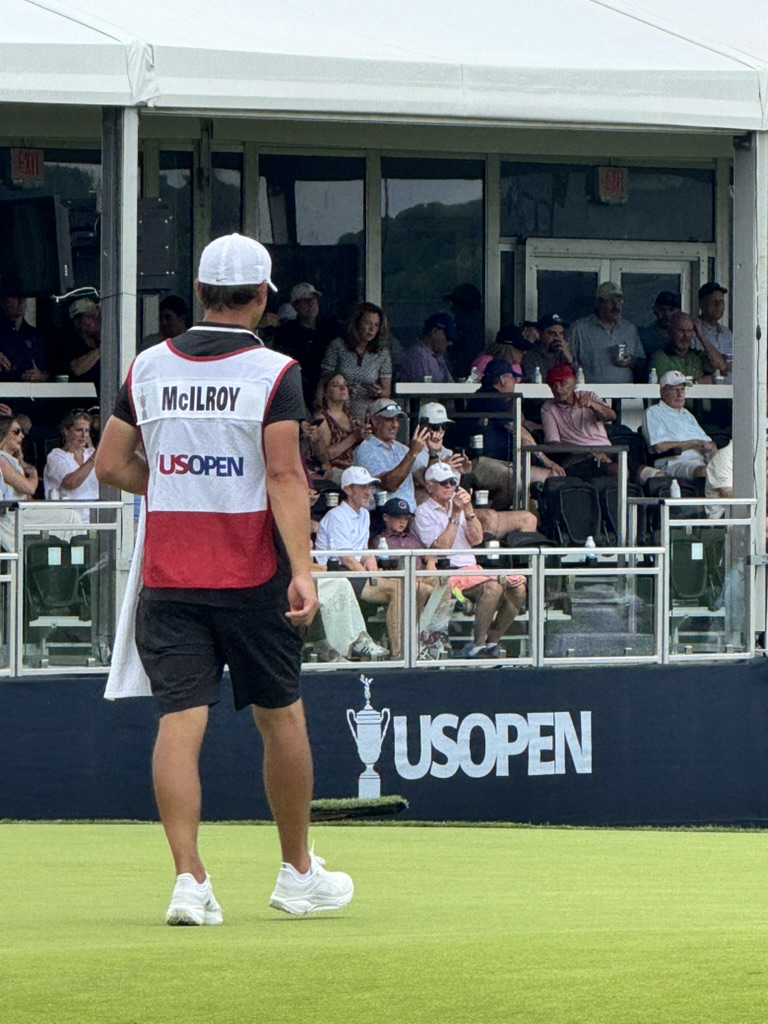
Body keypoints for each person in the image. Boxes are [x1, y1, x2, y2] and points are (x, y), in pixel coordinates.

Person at [95, 232, 353, 924]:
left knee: (180, 721)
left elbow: (112, 466)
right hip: (251, 571)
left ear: (203, 292)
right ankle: (297, 871)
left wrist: (174, 486)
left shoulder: (148, 365)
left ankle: (190, 881)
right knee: (281, 715)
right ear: (264, 297)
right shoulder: (274, 371)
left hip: (169, 574)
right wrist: (304, 570)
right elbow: (282, 475)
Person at [414, 461, 526, 658]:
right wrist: (456, 513)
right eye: (444, 483)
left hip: (472, 568)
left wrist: (468, 509)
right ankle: (478, 644)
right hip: (447, 572)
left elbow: (477, 539)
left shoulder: (460, 506)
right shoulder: (423, 512)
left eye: (452, 483)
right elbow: (441, 548)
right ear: (430, 486)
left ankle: (493, 639)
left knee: (519, 588)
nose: (450, 487)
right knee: (493, 587)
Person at [314, 466, 395, 657]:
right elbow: (347, 559)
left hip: (353, 573)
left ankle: (405, 646)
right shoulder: (337, 516)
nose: (369, 492)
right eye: (363, 487)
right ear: (348, 490)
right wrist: (371, 577)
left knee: (410, 587)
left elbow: (362, 550)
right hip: (335, 574)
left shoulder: (365, 514)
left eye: (370, 487)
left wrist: (370, 559)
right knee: (396, 589)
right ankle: (394, 651)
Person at [466, 358, 564, 508]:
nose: (515, 383)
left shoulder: (493, 398)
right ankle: (493, 517)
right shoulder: (491, 396)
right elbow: (519, 430)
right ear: (503, 379)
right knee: (517, 481)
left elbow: (521, 424)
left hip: (498, 462)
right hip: (479, 462)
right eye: (513, 378)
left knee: (550, 476)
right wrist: (547, 461)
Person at [541, 363, 618, 478]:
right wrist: (589, 452)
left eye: (562, 382)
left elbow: (612, 416)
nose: (557, 388)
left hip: (606, 449)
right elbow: (554, 444)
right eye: (552, 384)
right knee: (615, 470)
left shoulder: (589, 396)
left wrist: (593, 405)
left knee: (628, 468)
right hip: (578, 456)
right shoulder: (548, 408)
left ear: (573, 382)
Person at [320, 301, 392, 422]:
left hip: (369, 417)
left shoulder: (382, 353)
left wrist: (378, 392)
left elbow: (386, 392)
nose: (371, 329)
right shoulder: (337, 346)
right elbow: (324, 381)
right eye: (368, 323)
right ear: (357, 323)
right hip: (339, 415)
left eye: (376, 325)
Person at [352, 397, 429, 508]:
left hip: (409, 516)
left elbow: (427, 481)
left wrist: (433, 453)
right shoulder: (365, 450)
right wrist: (413, 453)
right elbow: (390, 484)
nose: (395, 425)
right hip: (384, 518)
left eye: (397, 420)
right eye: (389, 419)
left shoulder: (402, 449)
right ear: (375, 421)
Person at [274, 282, 339, 410]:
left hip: (330, 391)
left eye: (314, 299)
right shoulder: (286, 333)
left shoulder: (331, 328)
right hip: (299, 392)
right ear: (295, 305)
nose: (312, 304)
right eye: (306, 301)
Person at [642, 370, 717, 480]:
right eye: (675, 390)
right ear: (663, 392)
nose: (680, 394)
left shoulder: (686, 414)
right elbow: (659, 447)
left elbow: (706, 440)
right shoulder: (653, 412)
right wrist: (693, 443)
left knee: (732, 468)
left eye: (682, 389)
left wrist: (711, 446)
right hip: (674, 463)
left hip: (701, 460)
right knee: (705, 472)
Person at [568, 282, 643, 383]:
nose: (616, 305)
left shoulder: (629, 329)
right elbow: (568, 363)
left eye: (619, 300)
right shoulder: (579, 329)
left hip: (624, 393)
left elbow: (641, 361)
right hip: (592, 394)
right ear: (599, 303)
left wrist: (632, 360)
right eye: (610, 301)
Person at [307, 373, 367, 481]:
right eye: (336, 385)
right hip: (336, 472)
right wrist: (353, 437)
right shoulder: (322, 418)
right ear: (325, 392)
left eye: (345, 385)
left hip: (356, 469)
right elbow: (326, 455)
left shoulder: (351, 416)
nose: (343, 388)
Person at [43, 409, 98, 507]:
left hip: (96, 515)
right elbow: (70, 483)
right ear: (66, 431)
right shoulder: (55, 456)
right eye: (79, 430)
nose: (84, 435)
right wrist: (93, 459)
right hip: (69, 517)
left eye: (87, 431)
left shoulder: (91, 453)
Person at [650, 311, 712, 383]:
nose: (686, 336)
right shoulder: (660, 358)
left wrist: (701, 337)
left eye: (689, 331)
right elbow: (667, 385)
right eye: (680, 331)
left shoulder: (699, 356)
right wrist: (697, 382)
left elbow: (722, 369)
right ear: (670, 332)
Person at [0, 296, 48, 381]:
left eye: (24, 298)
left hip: (27, 390)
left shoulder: (34, 335)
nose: (20, 302)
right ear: (3, 302)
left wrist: (38, 375)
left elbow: (45, 372)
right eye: (15, 297)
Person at [400, 313, 455, 384]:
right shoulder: (418, 355)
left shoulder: (438, 356)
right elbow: (425, 391)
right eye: (448, 337)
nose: (450, 343)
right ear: (434, 332)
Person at [521, 313, 576, 382]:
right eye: (552, 333)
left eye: (561, 334)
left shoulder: (563, 355)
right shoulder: (530, 357)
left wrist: (569, 358)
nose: (557, 338)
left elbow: (579, 379)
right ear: (540, 334)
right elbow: (532, 383)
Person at [694, 282, 731, 375]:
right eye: (714, 301)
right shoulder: (692, 330)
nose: (718, 306)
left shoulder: (727, 333)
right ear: (702, 304)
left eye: (721, 301)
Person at [65, 298, 101, 387]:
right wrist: (100, 351)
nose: (96, 320)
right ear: (77, 322)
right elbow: (76, 370)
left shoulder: (99, 342)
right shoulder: (69, 344)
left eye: (98, 316)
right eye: (90, 317)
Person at [0, 415, 38, 498]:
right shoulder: (1, 461)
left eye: (22, 431)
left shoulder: (12, 460)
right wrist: (33, 476)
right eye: (16, 431)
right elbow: (29, 488)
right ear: (3, 433)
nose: (22, 436)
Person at [638, 291, 681, 359]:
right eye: (662, 310)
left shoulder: (684, 334)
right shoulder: (645, 336)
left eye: (671, 310)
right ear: (655, 310)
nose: (667, 315)